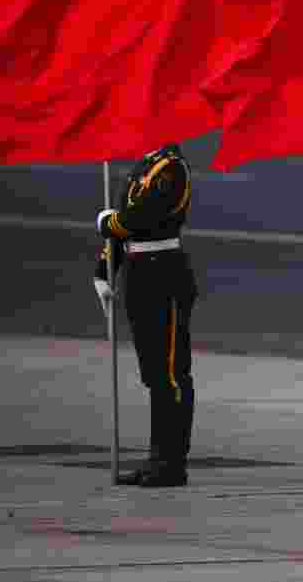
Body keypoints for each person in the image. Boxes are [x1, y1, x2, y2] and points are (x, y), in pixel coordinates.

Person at [94, 143, 197, 488]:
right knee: (153, 373)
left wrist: (109, 222)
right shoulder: (144, 165)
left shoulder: (172, 168)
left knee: (170, 372)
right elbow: (124, 226)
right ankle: (157, 457)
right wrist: (104, 268)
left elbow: (141, 217)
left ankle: (171, 462)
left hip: (163, 272)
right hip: (139, 272)